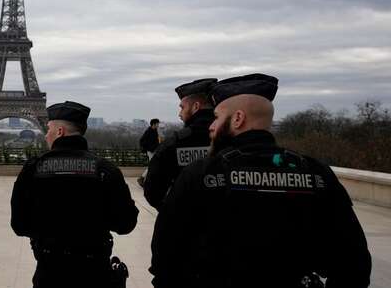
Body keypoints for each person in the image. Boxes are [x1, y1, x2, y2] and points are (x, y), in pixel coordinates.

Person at [150, 74, 372, 288]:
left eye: (217, 117)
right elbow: (354, 262)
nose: (211, 125)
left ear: (238, 118)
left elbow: (166, 256)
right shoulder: (316, 173)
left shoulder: (200, 174)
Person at [11, 101, 139, 288]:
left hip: (50, 270)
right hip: (95, 271)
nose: (46, 135)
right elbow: (126, 224)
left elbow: (19, 225)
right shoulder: (105, 170)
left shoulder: (33, 169)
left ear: (60, 131)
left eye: (48, 130)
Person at [143, 78, 217, 209]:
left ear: (196, 106)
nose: (180, 113)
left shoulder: (174, 143)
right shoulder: (231, 140)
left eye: (182, 107)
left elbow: (152, 192)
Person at [137, 118, 161, 187]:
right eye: (157, 124)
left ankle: (144, 179)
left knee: (153, 165)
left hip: (154, 151)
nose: (158, 125)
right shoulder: (148, 131)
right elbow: (142, 140)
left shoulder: (154, 130)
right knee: (152, 166)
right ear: (154, 124)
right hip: (150, 151)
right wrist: (148, 148)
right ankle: (142, 178)